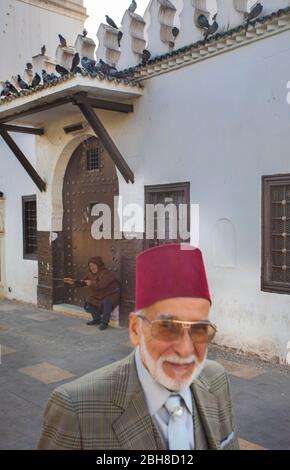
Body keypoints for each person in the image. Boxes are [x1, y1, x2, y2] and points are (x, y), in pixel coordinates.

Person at [38, 243, 239, 450]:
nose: (186, 350)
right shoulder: (77, 410)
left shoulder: (216, 380)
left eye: (199, 330)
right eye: (168, 328)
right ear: (136, 330)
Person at [64, 256, 120, 330]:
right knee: (89, 302)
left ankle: (104, 323)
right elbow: (83, 282)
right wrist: (73, 282)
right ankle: (97, 319)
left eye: (94, 265)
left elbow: (102, 284)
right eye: (90, 266)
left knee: (107, 302)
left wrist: (91, 283)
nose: (92, 267)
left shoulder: (107, 273)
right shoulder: (90, 274)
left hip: (110, 295)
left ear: (99, 265)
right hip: (98, 296)